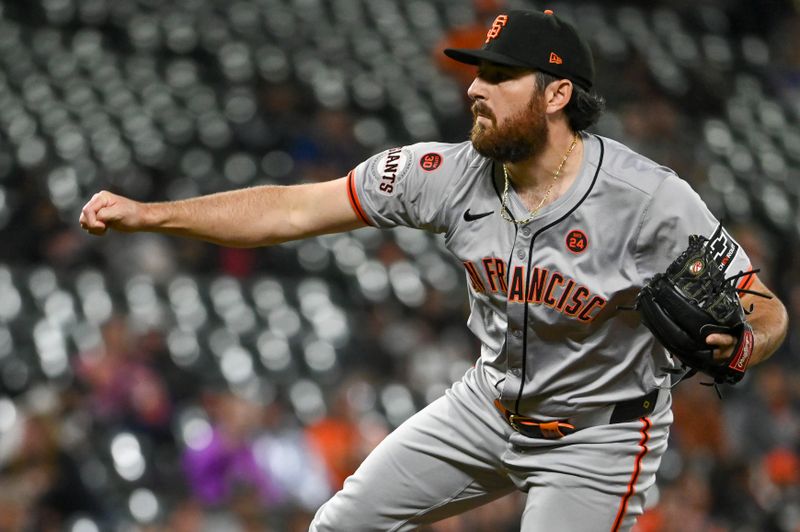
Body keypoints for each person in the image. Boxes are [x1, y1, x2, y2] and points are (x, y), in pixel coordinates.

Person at [79, 9, 789, 531]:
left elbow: (765, 308)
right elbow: (291, 210)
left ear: (557, 94)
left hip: (597, 437)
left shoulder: (649, 200)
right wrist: (152, 213)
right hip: (486, 406)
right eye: (477, 72)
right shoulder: (442, 174)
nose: (476, 88)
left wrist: (746, 342)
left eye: (501, 75)